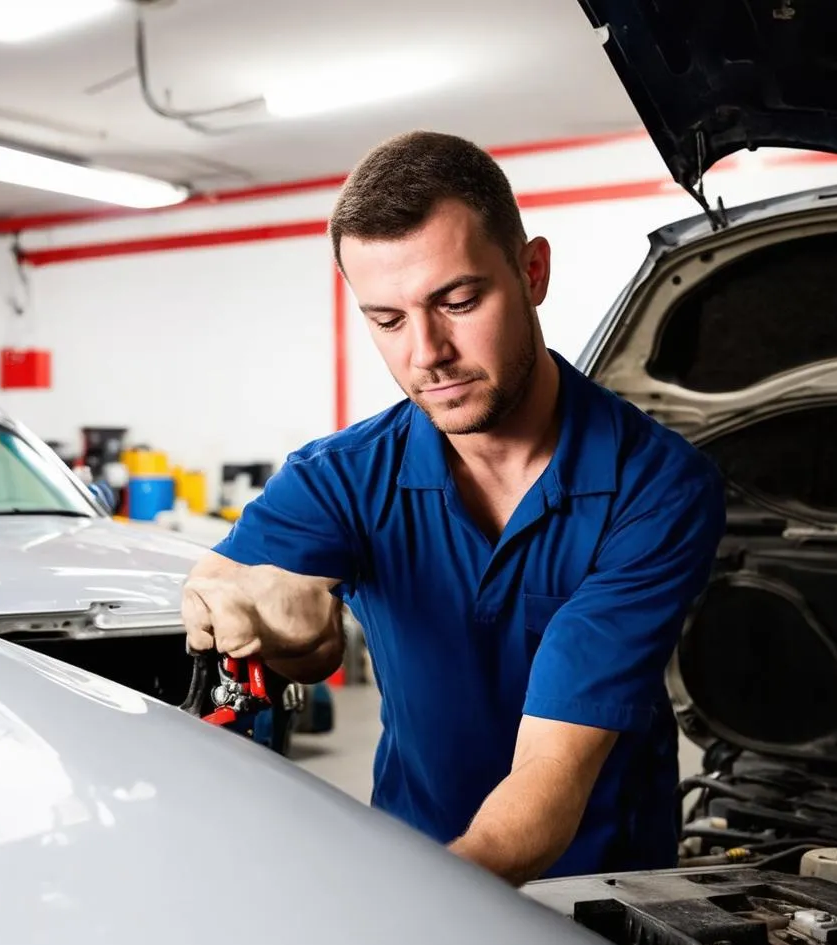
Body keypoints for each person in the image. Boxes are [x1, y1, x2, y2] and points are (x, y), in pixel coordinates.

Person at [182, 130, 727, 887]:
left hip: (605, 888)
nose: (426, 352)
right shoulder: (337, 479)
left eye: (459, 301)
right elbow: (229, 604)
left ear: (532, 271)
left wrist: (422, 914)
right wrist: (285, 629)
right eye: (387, 320)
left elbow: (549, 780)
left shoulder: (659, 486)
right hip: (413, 855)